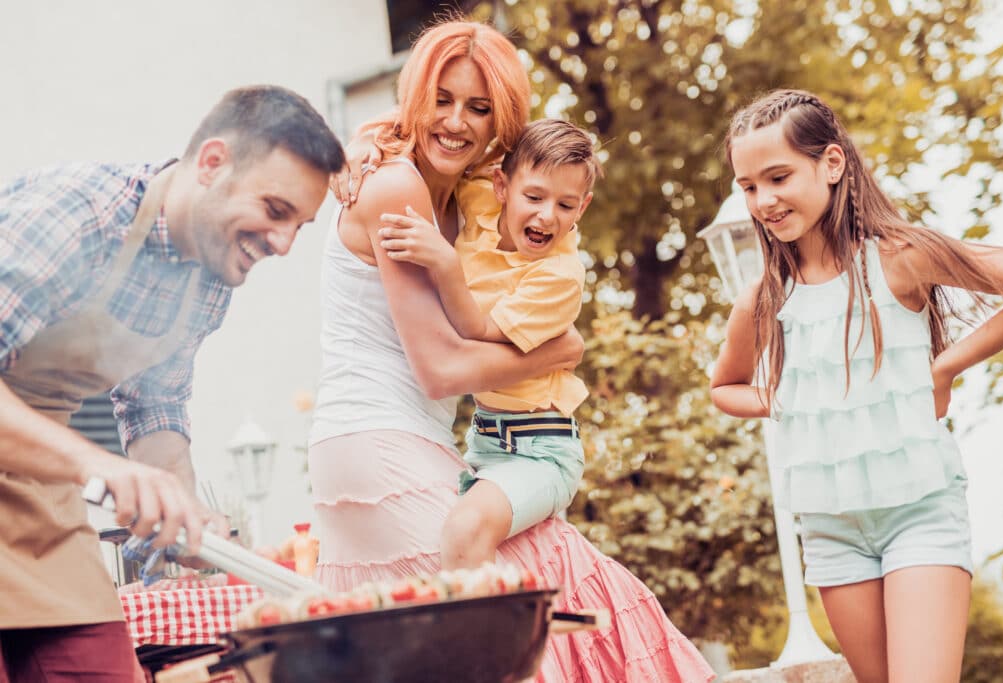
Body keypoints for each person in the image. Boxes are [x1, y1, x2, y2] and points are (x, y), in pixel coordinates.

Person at [307, 19, 714, 681]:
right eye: (442, 99)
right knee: (519, 627)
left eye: (478, 107)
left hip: (384, 447)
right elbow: (441, 370)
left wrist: (363, 138)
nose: (456, 121)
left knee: (500, 608)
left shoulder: (465, 196)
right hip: (381, 439)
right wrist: (557, 351)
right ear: (416, 96)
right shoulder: (398, 187)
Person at [0, 85, 344, 682]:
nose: (284, 244)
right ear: (211, 164)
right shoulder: (78, 214)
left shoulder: (209, 279)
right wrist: (103, 468)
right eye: (275, 210)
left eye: (300, 227)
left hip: (37, 499)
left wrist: (184, 507)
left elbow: (153, 410)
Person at [710, 88, 1003, 682]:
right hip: (831, 530)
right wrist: (788, 401)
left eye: (778, 177)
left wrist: (943, 367)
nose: (764, 201)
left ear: (831, 164)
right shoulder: (764, 296)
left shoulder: (900, 257)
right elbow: (725, 386)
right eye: (748, 186)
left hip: (920, 512)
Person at [376, 118, 597, 570]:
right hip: (484, 444)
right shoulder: (478, 198)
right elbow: (432, 143)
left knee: (464, 529)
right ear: (501, 185)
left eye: (565, 205)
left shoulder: (559, 277)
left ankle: (474, 642)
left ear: (582, 208)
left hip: (542, 452)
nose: (546, 215)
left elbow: (475, 330)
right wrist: (359, 150)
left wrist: (443, 260)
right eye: (533, 196)